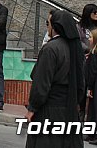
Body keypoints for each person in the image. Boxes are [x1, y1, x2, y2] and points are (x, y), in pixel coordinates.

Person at [25, 10, 85, 148]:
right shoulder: (76, 49)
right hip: (69, 109)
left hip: (50, 110)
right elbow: (81, 82)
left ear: (55, 26)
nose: (48, 27)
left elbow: (41, 82)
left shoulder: (51, 49)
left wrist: (32, 108)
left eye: (48, 24)